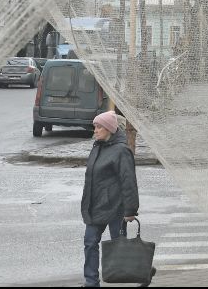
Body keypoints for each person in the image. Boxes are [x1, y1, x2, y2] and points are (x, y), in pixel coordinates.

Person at [81, 110, 141, 287]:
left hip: (116, 208)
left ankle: (141, 271)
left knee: (120, 247)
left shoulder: (122, 151)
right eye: (95, 127)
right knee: (90, 243)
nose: (95, 130)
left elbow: (128, 181)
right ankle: (91, 282)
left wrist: (130, 210)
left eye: (99, 127)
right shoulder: (97, 147)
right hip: (96, 206)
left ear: (108, 129)